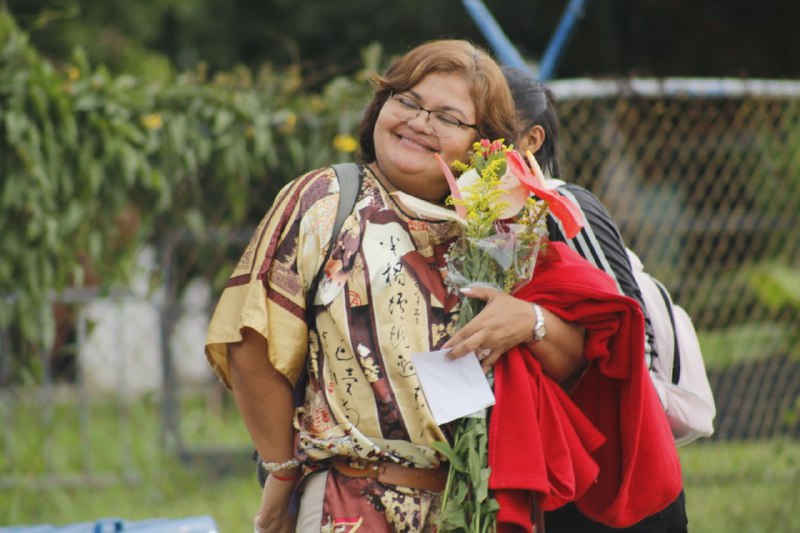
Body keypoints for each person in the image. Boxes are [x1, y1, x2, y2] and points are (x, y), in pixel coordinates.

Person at [204, 40, 588, 533]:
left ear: (485, 141)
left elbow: (579, 363)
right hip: (352, 500)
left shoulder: (506, 227)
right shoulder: (325, 200)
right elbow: (250, 341)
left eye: (447, 117)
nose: (419, 122)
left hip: (474, 510)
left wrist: (531, 322)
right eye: (406, 100)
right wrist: (281, 475)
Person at [501, 66, 689, 532]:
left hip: (607, 463)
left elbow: (631, 338)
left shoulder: (564, 209)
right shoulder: (483, 217)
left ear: (532, 139)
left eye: (489, 127)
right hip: (551, 459)